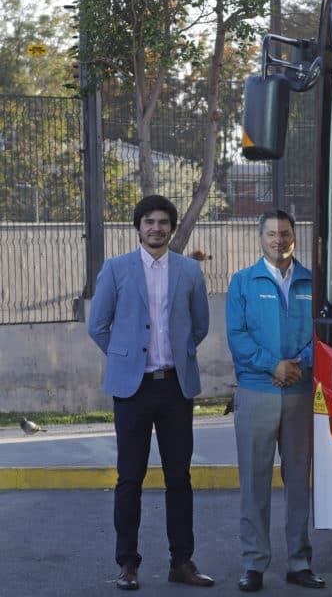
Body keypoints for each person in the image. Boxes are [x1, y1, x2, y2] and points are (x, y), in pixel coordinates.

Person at [87, 194, 214, 591]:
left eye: (162, 221)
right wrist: (124, 357)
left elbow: (200, 325)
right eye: (148, 221)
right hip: (132, 390)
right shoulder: (116, 268)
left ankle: (182, 562)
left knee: (179, 478)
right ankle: (127, 564)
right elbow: (98, 325)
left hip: (176, 388)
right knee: (130, 479)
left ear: (171, 227)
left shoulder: (190, 271)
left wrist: (176, 354)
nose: (155, 227)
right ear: (138, 227)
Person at [226, 210, 325, 592]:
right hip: (257, 392)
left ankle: (299, 563)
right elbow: (237, 336)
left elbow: (321, 331)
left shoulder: (311, 282)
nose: (278, 240)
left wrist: (300, 365)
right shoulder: (243, 283)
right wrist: (274, 366)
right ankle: (253, 565)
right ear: (260, 238)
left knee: (299, 481)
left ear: (294, 237)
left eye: (284, 233)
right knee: (254, 483)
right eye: (271, 234)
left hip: (300, 393)